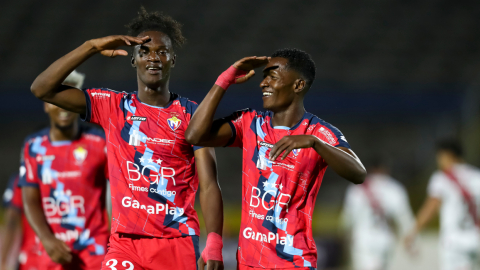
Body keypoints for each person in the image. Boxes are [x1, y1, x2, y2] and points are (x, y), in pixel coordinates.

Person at [30, 7, 224, 270]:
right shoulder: (112, 106)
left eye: (162, 51)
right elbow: (42, 88)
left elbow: (210, 184)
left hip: (176, 242)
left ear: (173, 59)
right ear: (134, 59)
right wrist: (90, 46)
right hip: (125, 244)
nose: (153, 58)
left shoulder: (192, 114)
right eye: (144, 51)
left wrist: (213, 244)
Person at [185, 49, 366, 269]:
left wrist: (315, 143)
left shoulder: (319, 132)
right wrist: (224, 80)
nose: (263, 83)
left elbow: (358, 173)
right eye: (264, 76)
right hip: (249, 262)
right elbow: (194, 135)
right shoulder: (250, 123)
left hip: (295, 261)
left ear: (298, 85)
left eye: (273, 76)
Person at [20, 70, 110, 270]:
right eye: (56, 99)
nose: (63, 107)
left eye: (68, 99)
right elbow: (29, 198)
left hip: (94, 251)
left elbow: (119, 192)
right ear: (45, 105)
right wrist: (47, 238)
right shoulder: (34, 146)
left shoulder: (100, 142)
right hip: (51, 251)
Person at [405, 140, 480, 270]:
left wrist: (413, 231)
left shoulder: (441, 178)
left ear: (448, 155)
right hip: (475, 240)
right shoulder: (476, 176)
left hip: (454, 243)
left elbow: (431, 208)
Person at [341, 159, 414, 270]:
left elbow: (348, 217)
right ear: (386, 169)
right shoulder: (394, 188)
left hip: (363, 240)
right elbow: (405, 217)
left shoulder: (357, 187)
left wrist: (344, 235)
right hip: (385, 240)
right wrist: (411, 240)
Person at [1, 173, 40, 270]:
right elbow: (12, 222)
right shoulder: (21, 180)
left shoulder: (22, 179)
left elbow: (12, 221)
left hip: (33, 256)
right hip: (35, 256)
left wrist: (3, 260)